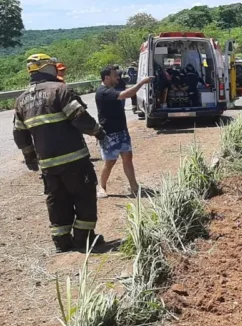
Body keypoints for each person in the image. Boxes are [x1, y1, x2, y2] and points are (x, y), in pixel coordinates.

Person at [12, 54, 107, 253]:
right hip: (74, 160)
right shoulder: (60, 90)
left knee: (58, 201)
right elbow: (79, 117)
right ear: (48, 68)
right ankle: (84, 239)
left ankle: (62, 242)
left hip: (48, 166)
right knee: (84, 197)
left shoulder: (21, 101)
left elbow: (20, 134)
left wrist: (30, 158)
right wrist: (98, 132)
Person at [96, 65, 153, 197]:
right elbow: (127, 94)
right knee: (110, 162)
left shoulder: (111, 89)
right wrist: (142, 82)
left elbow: (125, 91)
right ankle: (102, 187)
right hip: (109, 134)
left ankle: (134, 187)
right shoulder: (103, 92)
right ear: (106, 77)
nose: (118, 78)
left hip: (122, 131)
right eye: (115, 76)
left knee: (128, 159)